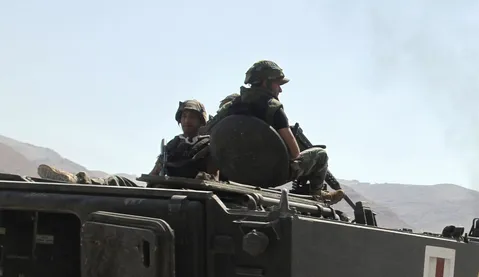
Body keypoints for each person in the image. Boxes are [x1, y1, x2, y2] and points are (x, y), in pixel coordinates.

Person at [205, 60, 343, 204]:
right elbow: (295, 153)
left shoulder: (230, 106)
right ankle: (317, 193)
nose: (280, 89)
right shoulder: (274, 108)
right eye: (278, 84)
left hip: (232, 171)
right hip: (269, 175)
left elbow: (208, 132)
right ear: (266, 83)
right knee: (321, 155)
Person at [39, 99, 216, 185]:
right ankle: (79, 180)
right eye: (184, 116)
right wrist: (154, 176)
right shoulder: (172, 144)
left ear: (201, 121)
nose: (187, 121)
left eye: (192, 117)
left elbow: (213, 179)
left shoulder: (208, 146)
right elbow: (154, 172)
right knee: (117, 181)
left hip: (186, 196)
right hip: (162, 191)